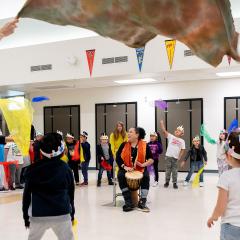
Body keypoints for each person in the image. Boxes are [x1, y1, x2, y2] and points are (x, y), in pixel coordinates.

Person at [23, 132, 75, 240]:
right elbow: (71, 193)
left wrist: (25, 216)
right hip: (62, 213)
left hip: (38, 214)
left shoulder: (32, 170)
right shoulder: (66, 169)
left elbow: (26, 195)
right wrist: (72, 213)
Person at [207, 131, 240, 240]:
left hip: (231, 227)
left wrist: (213, 217)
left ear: (229, 156)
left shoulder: (226, 177)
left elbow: (221, 206)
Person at [116, 127, 154, 212]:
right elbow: (118, 157)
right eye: (128, 132)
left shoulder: (145, 145)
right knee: (121, 175)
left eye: (130, 132)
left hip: (140, 169)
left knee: (146, 176)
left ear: (137, 135)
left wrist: (143, 164)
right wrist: (124, 167)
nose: (128, 134)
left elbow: (151, 159)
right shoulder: (124, 144)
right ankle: (128, 201)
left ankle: (143, 201)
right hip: (126, 168)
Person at [160, 120, 186, 189]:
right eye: (176, 130)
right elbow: (164, 131)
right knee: (168, 170)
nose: (177, 131)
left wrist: (179, 157)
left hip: (175, 158)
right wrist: (162, 124)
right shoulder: (171, 137)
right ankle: (167, 181)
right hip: (168, 157)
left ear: (182, 134)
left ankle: (174, 182)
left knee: (175, 171)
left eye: (179, 131)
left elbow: (183, 149)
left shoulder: (182, 141)